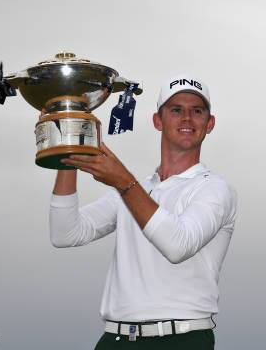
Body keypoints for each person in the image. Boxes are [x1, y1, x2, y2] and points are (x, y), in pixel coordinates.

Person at [48, 75, 237, 349]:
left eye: (197, 111)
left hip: (183, 339)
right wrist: (68, 150)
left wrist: (123, 180)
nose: (186, 118)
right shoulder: (134, 189)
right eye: (175, 110)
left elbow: (177, 245)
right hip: (115, 339)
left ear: (210, 124)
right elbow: (65, 233)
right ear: (157, 121)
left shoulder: (216, 189)